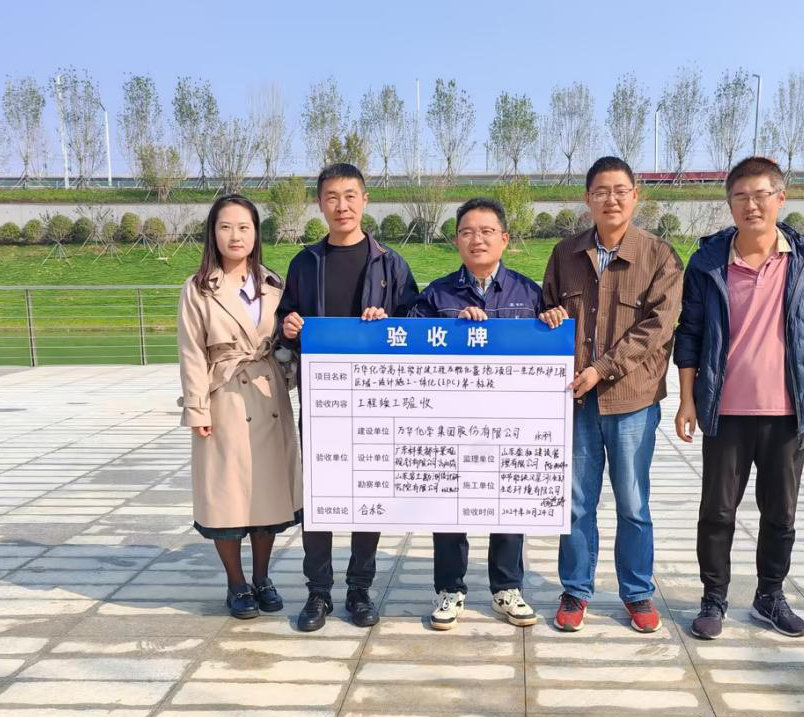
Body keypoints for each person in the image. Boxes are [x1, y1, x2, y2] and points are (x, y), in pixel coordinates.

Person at [673, 156, 804, 640]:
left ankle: (770, 595)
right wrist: (687, 400)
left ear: (780, 199)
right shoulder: (708, 262)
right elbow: (690, 332)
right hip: (725, 410)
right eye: (741, 197)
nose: (752, 205)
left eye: (761, 195)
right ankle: (714, 598)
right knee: (717, 512)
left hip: (789, 411)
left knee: (781, 513)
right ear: (730, 204)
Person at [539, 156, 683, 633]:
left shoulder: (659, 256)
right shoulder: (565, 254)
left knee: (633, 503)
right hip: (577, 401)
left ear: (636, 195)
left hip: (632, 402)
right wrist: (549, 317)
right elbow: (547, 308)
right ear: (588, 199)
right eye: (601, 191)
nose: (611, 199)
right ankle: (575, 589)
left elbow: (658, 328)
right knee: (576, 502)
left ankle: (637, 592)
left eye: (621, 190)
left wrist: (601, 369)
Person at [276, 163, 419, 632]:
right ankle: (318, 592)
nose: (342, 206)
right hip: (323, 400)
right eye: (332, 197)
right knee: (320, 494)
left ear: (365, 200)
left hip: (376, 398)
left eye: (350, 195)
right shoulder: (305, 263)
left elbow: (414, 323)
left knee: (366, 494)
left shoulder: (391, 264)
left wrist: (389, 323)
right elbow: (284, 321)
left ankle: (359, 589)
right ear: (320, 204)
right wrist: (288, 326)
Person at [409, 197, 542, 630]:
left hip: (510, 420)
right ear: (456, 241)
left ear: (505, 239)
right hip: (451, 420)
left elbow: (547, 350)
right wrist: (453, 331)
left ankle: (507, 588)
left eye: (486, 232)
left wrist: (555, 320)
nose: (477, 240)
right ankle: (450, 589)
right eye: (467, 232)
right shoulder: (437, 294)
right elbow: (410, 347)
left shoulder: (529, 293)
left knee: (508, 501)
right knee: (449, 504)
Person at [176, 194, 302, 620]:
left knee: (266, 494)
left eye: (244, 227)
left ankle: (262, 577)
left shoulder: (273, 283)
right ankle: (236, 583)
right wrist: (197, 409)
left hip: (268, 395)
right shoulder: (198, 288)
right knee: (226, 496)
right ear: (213, 233)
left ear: (255, 233)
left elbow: (286, 341)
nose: (235, 236)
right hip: (224, 398)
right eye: (226, 226)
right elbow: (191, 353)